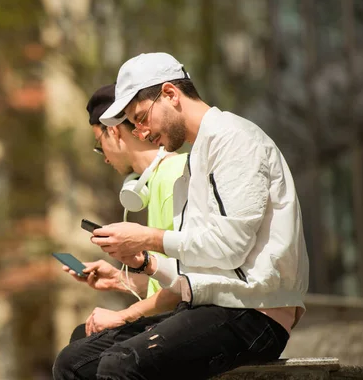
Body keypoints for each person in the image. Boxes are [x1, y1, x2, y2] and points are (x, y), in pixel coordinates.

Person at [53, 53, 309, 380]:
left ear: (171, 95)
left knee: (121, 363)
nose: (141, 132)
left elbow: (230, 247)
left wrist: (147, 237)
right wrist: (146, 262)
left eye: (141, 117)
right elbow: (201, 266)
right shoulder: (196, 159)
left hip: (254, 312)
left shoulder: (233, 139)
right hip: (212, 303)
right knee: (73, 361)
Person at [62, 84, 187, 342]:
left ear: (114, 131)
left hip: (183, 322)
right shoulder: (157, 180)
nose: (105, 158)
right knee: (81, 339)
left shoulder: (173, 177)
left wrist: (125, 314)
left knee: (79, 350)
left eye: (100, 145)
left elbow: (188, 285)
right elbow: (171, 281)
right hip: (176, 316)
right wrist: (119, 279)